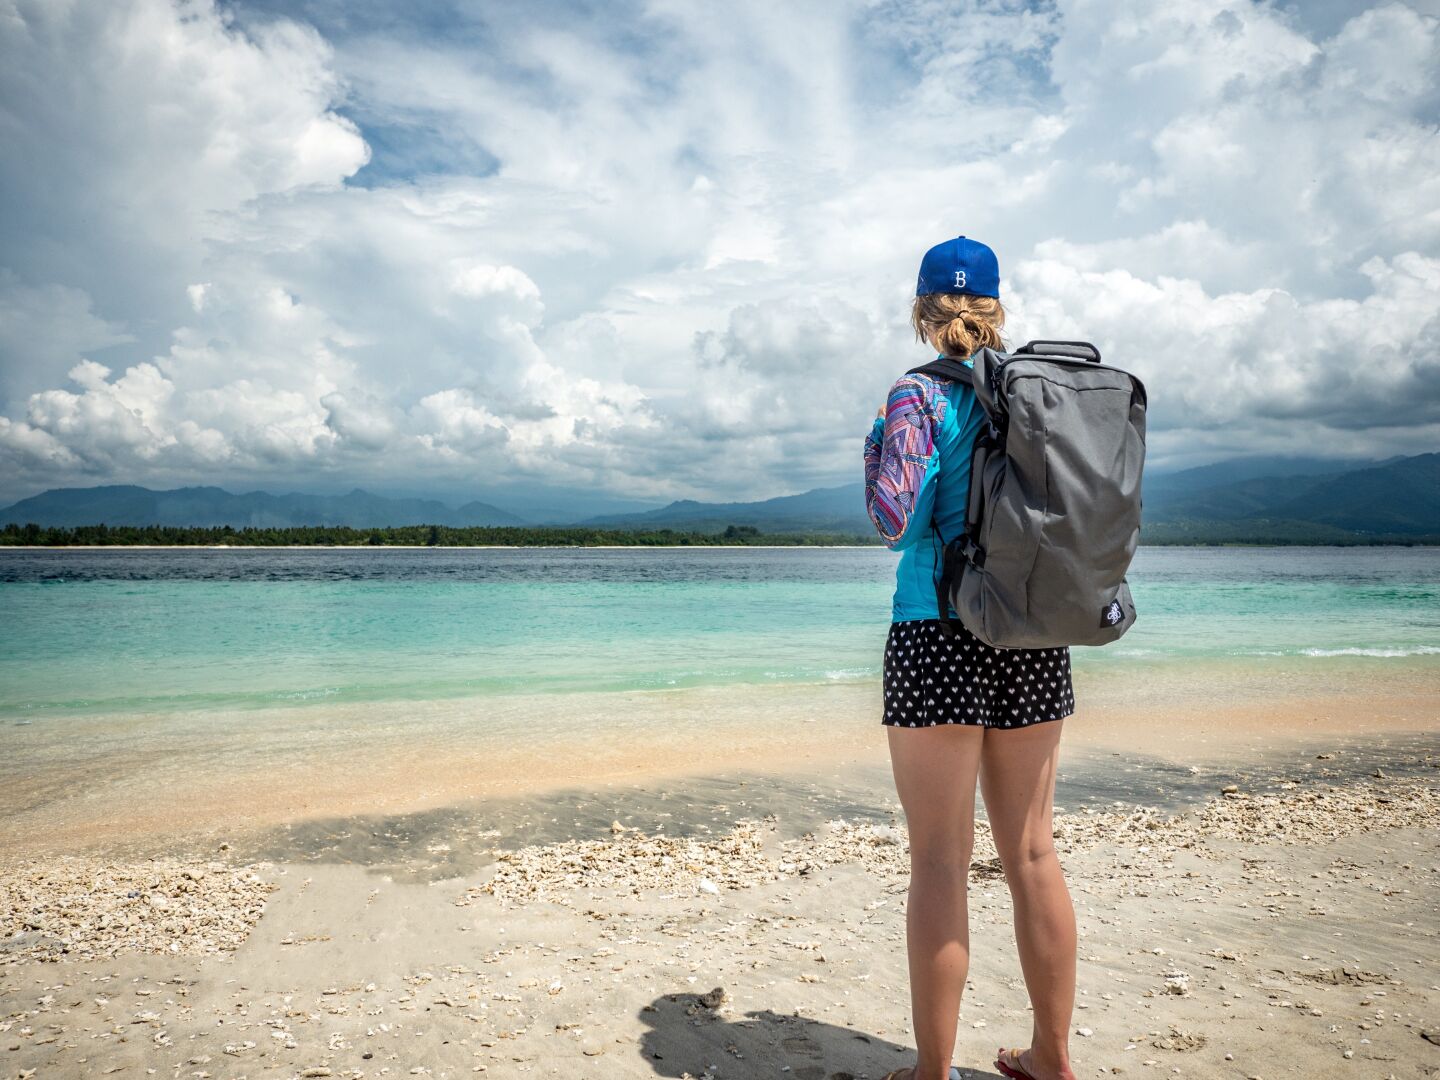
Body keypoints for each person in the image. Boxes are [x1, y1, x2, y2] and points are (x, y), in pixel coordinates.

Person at [863, 236, 1079, 1080]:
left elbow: (894, 524)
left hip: (935, 633)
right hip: (1033, 636)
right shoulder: (1036, 401)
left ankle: (933, 1071)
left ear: (923, 312)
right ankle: (1052, 1060)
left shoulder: (916, 396)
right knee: (1032, 855)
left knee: (941, 862)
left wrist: (878, 443)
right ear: (996, 312)